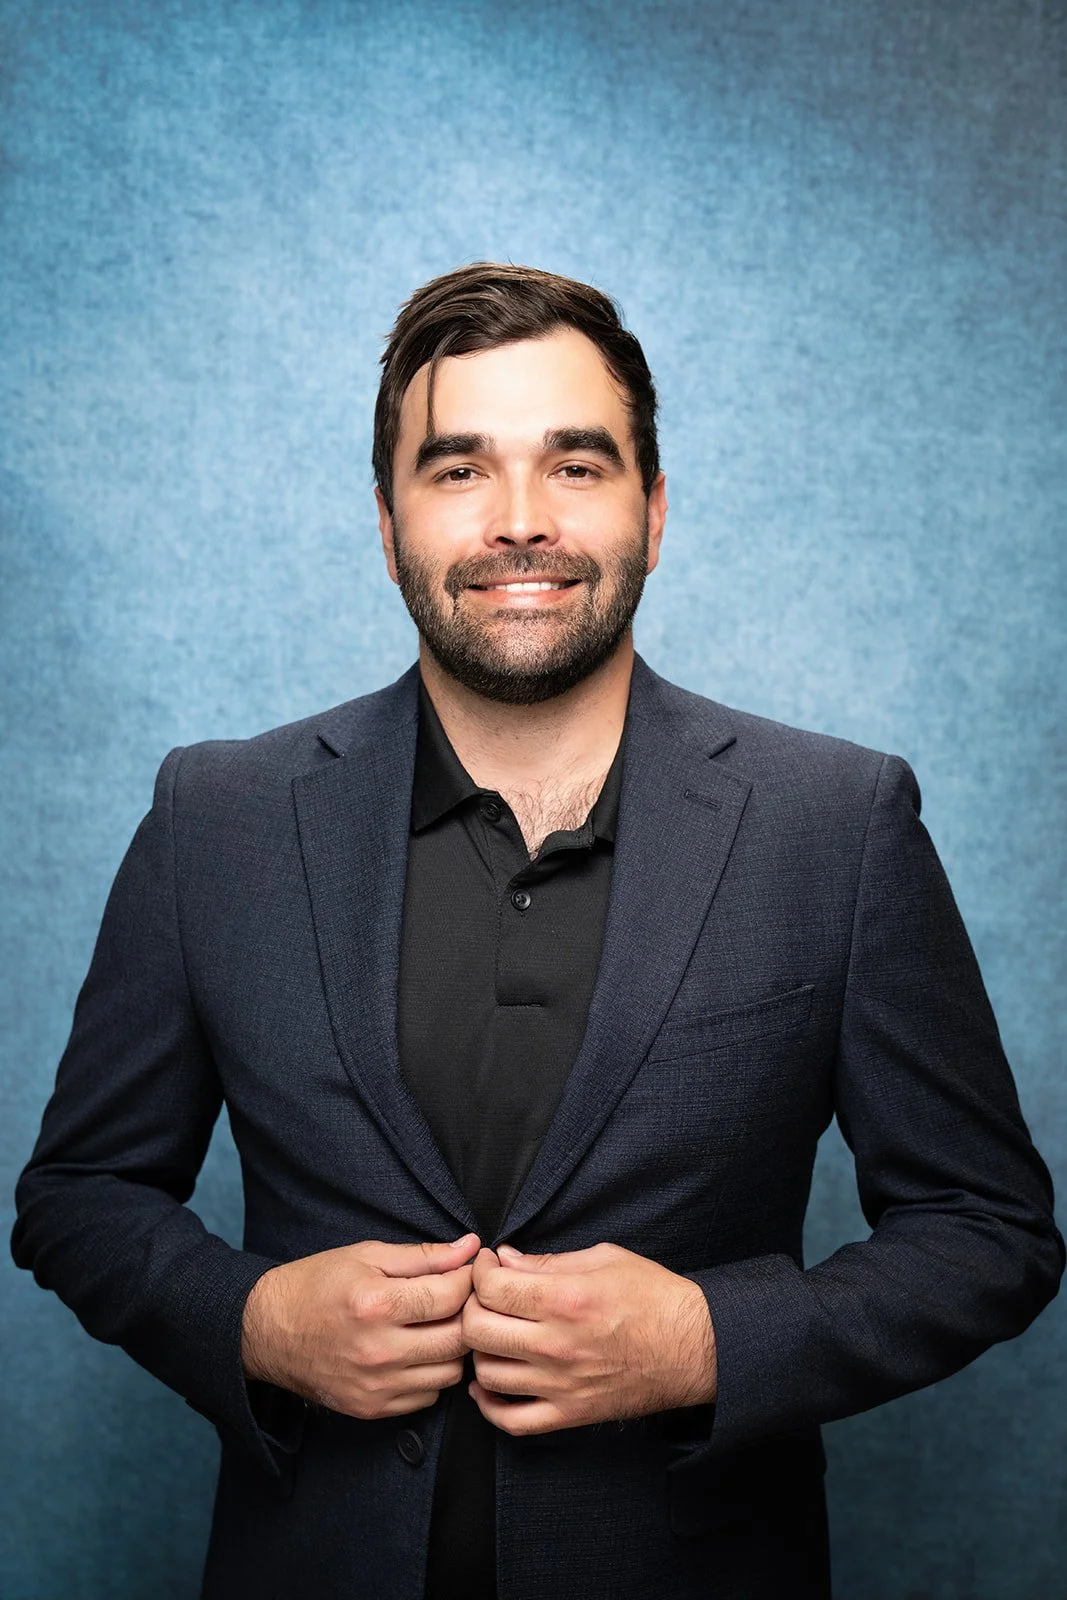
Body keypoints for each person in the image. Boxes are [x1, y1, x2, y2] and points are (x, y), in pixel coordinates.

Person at [12, 262, 1063, 1600]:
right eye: (457, 471)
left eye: (575, 465)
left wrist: (706, 1342)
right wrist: (253, 1324)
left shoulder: (836, 823)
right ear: (386, 522)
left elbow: (987, 1230)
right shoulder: (214, 815)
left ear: (654, 508)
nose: (520, 523)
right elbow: (79, 1195)